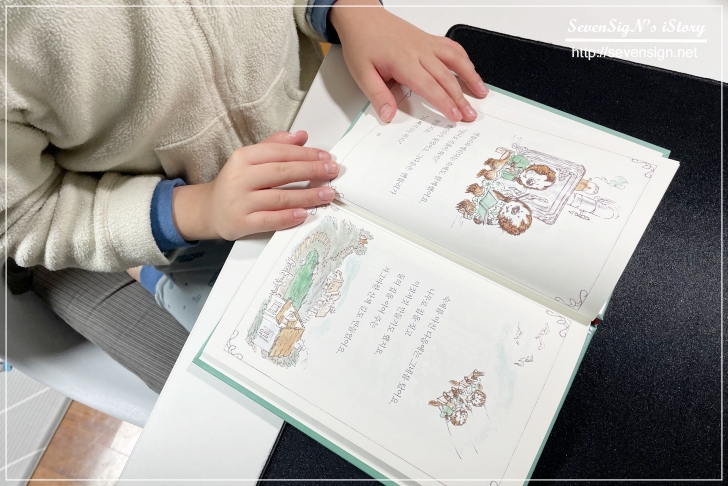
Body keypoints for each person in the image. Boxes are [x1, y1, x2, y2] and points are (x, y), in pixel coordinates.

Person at [2, 0, 488, 392]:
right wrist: (199, 209)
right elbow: (24, 216)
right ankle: (147, 274)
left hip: (329, 138)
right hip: (188, 229)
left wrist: (351, 9)